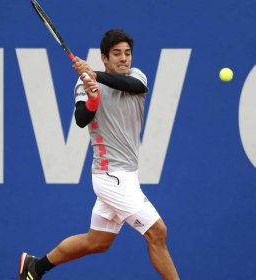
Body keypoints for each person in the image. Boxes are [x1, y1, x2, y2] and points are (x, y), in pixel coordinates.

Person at [19, 29, 180, 280]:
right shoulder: (85, 84)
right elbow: (82, 119)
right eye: (117, 54)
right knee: (157, 233)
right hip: (110, 176)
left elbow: (132, 85)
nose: (124, 59)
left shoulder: (137, 77)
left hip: (127, 174)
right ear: (104, 57)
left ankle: (34, 267)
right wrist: (93, 97)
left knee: (97, 241)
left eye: (127, 53)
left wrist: (96, 75)